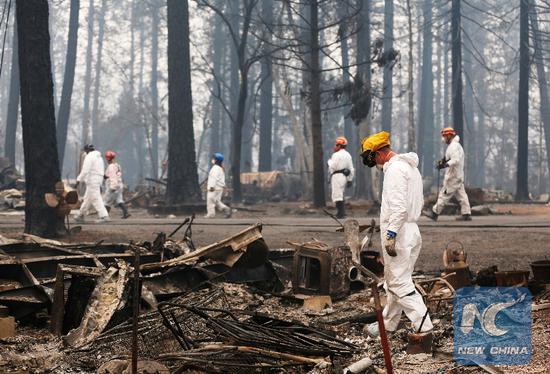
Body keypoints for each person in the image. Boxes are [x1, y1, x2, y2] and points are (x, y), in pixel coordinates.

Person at [359, 131, 433, 338]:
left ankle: (424, 327)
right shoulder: (408, 167)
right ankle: (388, 325)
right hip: (410, 230)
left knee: (398, 283)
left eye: (373, 158)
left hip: (399, 232)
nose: (374, 163)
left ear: (380, 153)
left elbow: (399, 208)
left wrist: (391, 234)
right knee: (397, 280)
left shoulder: (395, 170)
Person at [427, 127, 471, 221]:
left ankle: (435, 213)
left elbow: (455, 159)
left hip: (453, 176)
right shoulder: (455, 146)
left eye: (444, 136)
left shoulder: (454, 146)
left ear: (449, 135)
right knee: (461, 195)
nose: (443, 139)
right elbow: (449, 157)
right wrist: (442, 161)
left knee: (444, 194)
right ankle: (466, 213)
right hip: (458, 175)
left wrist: (445, 164)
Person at [75, 144, 110, 223]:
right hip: (98, 179)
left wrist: (78, 180)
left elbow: (85, 170)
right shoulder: (99, 157)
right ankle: (80, 215)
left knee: (95, 197)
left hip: (92, 179)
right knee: (88, 198)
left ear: (87, 150)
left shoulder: (89, 156)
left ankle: (104, 216)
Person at [327, 136, 354, 218]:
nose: (335, 146)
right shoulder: (348, 155)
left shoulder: (336, 155)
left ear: (339, 145)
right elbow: (351, 168)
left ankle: (341, 213)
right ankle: (341, 212)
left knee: (337, 194)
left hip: (337, 176)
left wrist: (329, 162)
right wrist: (350, 179)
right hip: (344, 177)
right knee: (341, 194)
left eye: (336, 145)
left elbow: (333, 166)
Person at [103, 151, 131, 219]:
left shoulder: (111, 166)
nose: (107, 159)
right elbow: (107, 175)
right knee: (119, 200)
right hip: (119, 185)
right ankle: (126, 212)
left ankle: (104, 216)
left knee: (107, 201)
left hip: (113, 186)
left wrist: (113, 187)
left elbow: (112, 177)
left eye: (107, 158)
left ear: (109, 158)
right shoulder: (117, 165)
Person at [205, 153, 231, 218]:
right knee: (216, 201)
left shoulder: (215, 168)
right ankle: (226, 209)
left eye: (213, 158)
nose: (212, 159)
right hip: (219, 188)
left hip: (214, 187)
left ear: (216, 160)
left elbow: (213, 178)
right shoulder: (220, 168)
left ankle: (211, 214)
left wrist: (211, 187)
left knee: (210, 200)